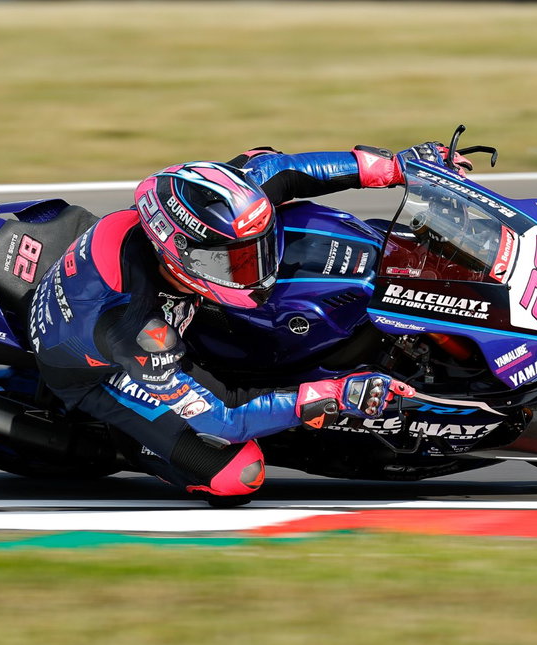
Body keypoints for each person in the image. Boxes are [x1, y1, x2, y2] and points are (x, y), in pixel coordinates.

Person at [27, 142, 466, 504]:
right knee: (237, 476)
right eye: (232, 261)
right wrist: (330, 395)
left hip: (153, 310)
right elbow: (225, 416)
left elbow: (286, 169)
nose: (254, 268)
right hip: (102, 371)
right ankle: (134, 443)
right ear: (177, 251)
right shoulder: (138, 327)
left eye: (253, 250)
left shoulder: (224, 206)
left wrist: (400, 166)